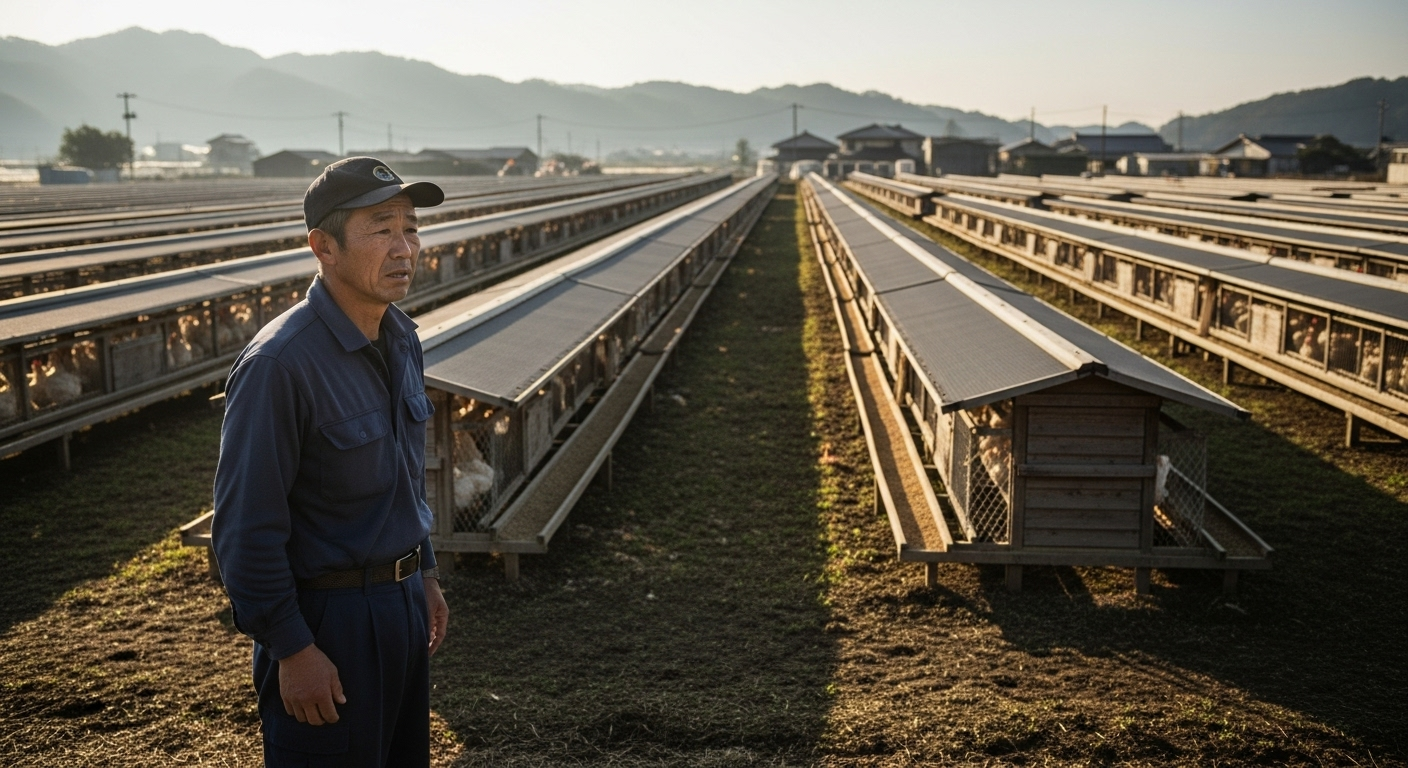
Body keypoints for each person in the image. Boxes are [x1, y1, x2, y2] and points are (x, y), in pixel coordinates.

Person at [212, 157, 450, 767]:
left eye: (411, 228)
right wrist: (293, 649)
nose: (404, 248)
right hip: (328, 621)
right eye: (381, 229)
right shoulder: (280, 365)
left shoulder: (401, 339)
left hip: (401, 605)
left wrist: (423, 573)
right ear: (324, 246)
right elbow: (244, 530)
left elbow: (403, 477)